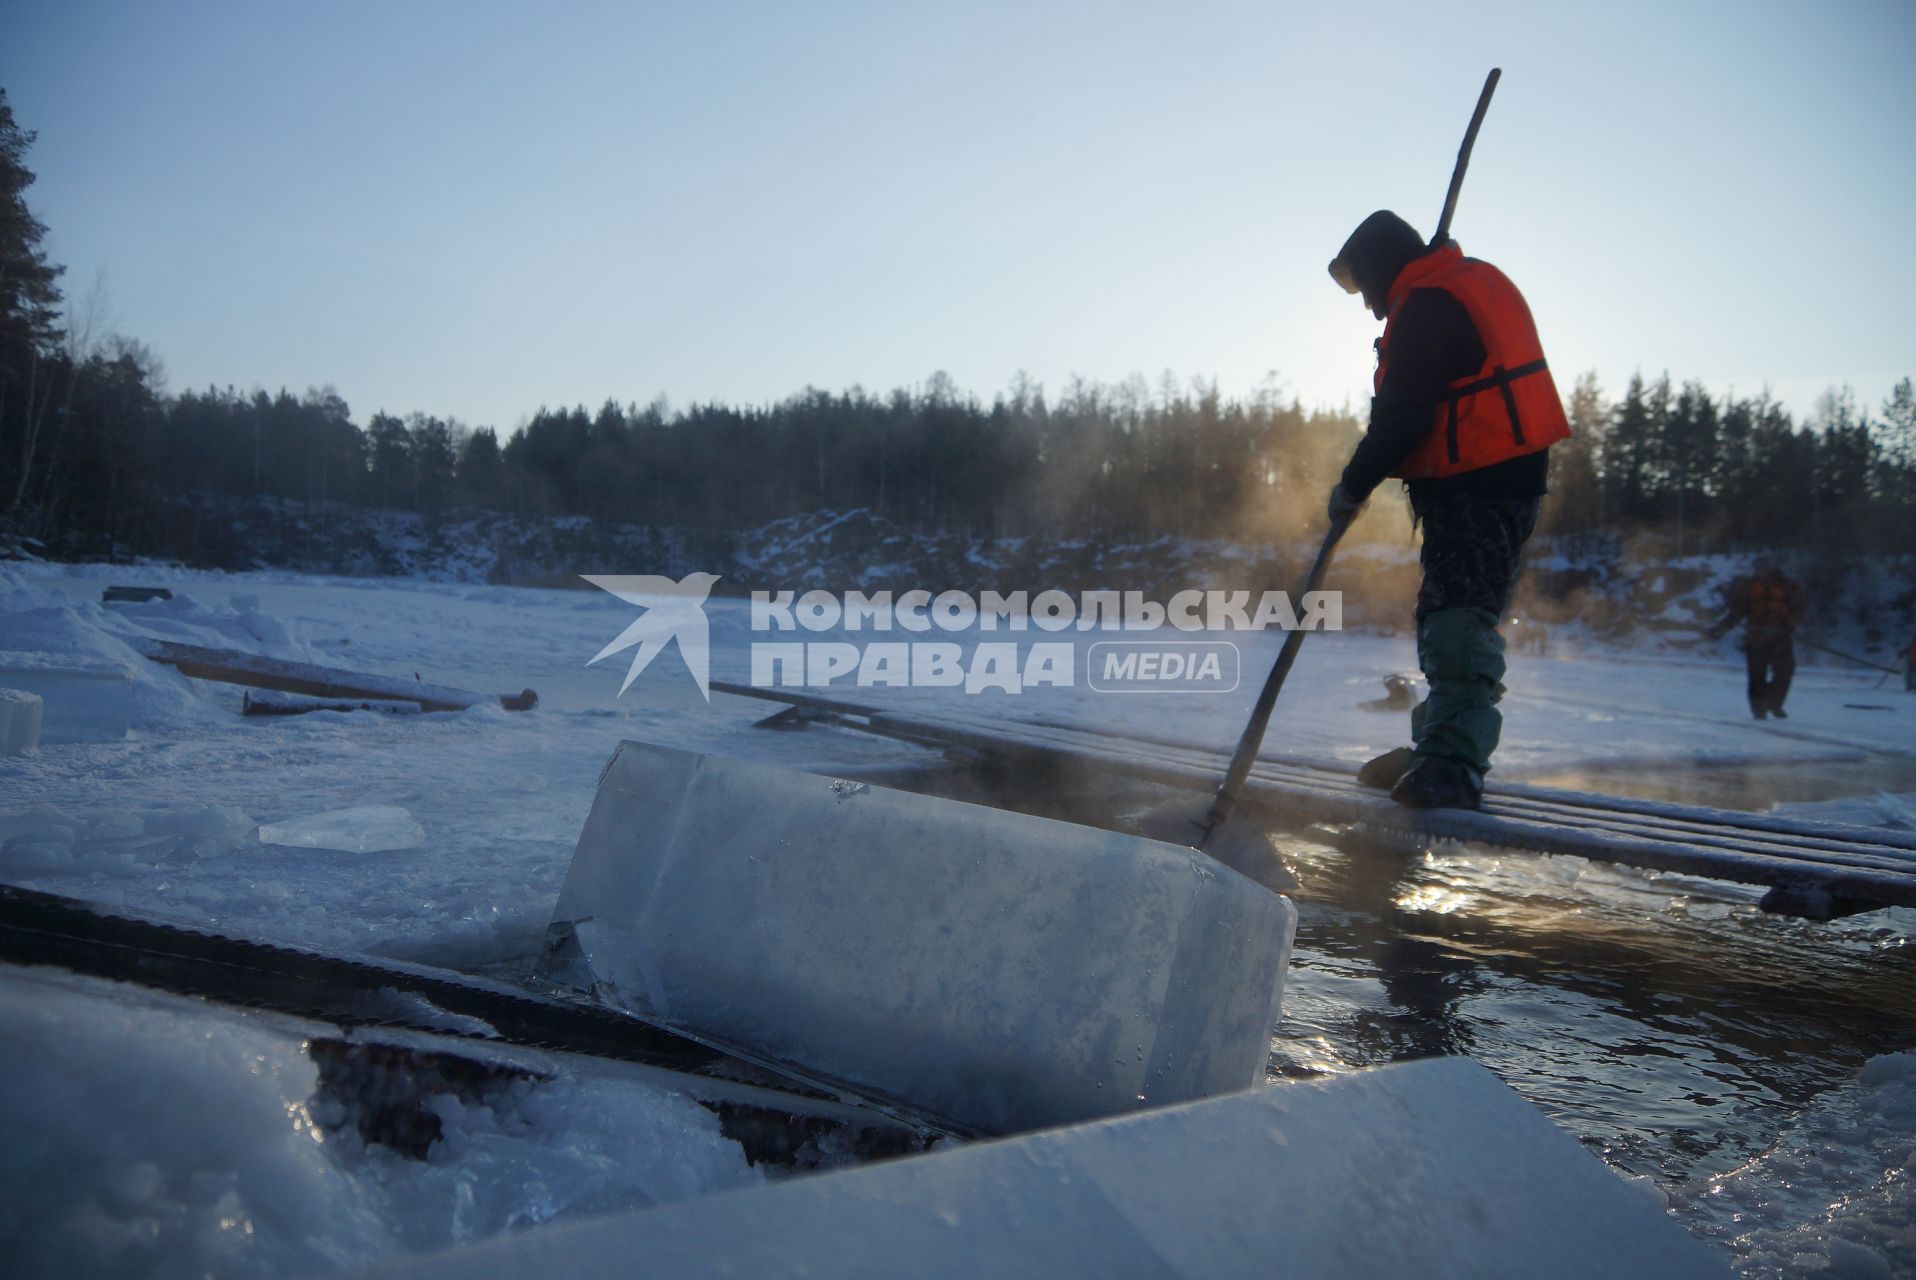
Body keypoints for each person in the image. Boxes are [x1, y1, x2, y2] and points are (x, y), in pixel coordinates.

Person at [1326, 211, 1569, 810]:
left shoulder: (1429, 306)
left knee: (1459, 618)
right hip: (1474, 481)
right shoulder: (1435, 293)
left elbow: (1401, 418)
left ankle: (1454, 764)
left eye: (1365, 288)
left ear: (1382, 269)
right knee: (1445, 613)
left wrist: (1352, 486)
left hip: (1484, 482)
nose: (1368, 308)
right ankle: (1437, 746)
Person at [1709, 556, 1805, 719]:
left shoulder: (1790, 586)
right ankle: (1758, 709)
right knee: (1756, 675)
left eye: (1766, 567)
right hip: (1756, 638)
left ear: (1774, 568)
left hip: (1780, 637)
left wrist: (1789, 626)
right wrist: (1722, 628)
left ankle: (1774, 703)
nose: (1762, 570)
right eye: (1759, 567)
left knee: (1785, 672)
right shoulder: (1747, 587)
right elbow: (1737, 612)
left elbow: (1799, 609)